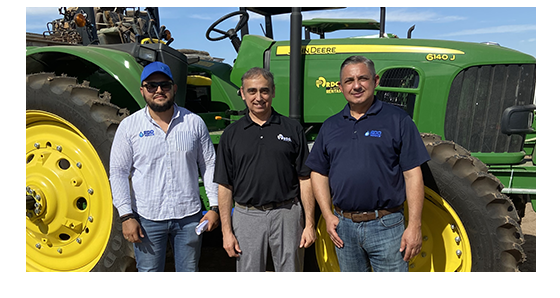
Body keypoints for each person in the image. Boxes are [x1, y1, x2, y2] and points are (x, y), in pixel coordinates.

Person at [306, 55, 430, 272]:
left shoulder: (398, 120)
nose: (356, 86)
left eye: (363, 78)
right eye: (349, 81)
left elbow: (413, 174)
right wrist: (327, 214)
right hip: (344, 228)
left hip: (387, 226)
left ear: (376, 80)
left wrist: (414, 226)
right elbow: (318, 172)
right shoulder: (330, 126)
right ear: (340, 86)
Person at [109, 61, 219, 272]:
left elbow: (209, 165)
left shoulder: (194, 123)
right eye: (151, 86)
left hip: (189, 218)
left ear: (174, 88)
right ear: (142, 90)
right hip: (148, 219)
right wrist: (126, 216)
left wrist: (214, 207)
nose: (159, 90)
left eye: (164, 85)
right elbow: (119, 172)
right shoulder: (129, 127)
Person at [213, 67, 316, 272]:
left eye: (264, 91)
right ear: (242, 93)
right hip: (247, 215)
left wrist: (310, 224)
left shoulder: (292, 128)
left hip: (287, 214)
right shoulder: (231, 134)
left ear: (273, 91)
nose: (258, 97)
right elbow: (225, 185)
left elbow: (305, 179)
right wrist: (226, 231)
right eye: (252, 91)